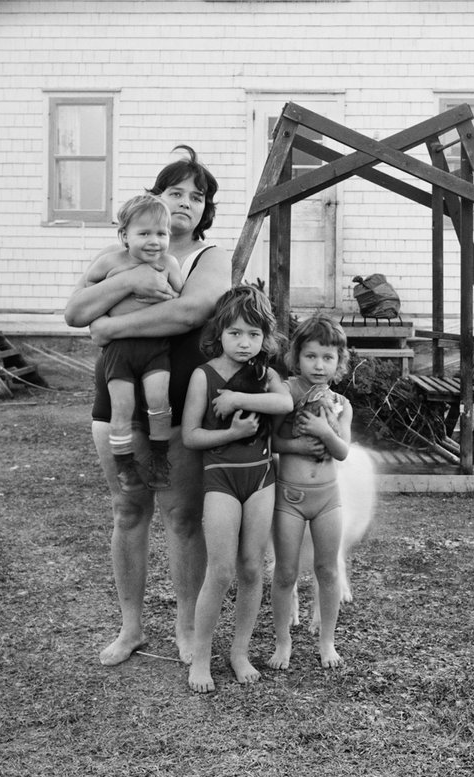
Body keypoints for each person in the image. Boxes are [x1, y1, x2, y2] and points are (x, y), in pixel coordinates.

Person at [64, 146, 230, 666]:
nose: (184, 204)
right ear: (154, 199)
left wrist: (111, 325)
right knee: (128, 509)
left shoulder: (209, 256)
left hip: (180, 404)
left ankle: (186, 627)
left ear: (206, 209)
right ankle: (130, 627)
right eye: (174, 192)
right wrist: (131, 281)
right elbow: (74, 311)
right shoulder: (121, 256)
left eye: (196, 197)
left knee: (182, 516)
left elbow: (193, 310)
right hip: (115, 402)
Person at [181, 285, 293, 693]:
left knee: (251, 567)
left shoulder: (266, 375)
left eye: (254, 335)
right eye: (236, 333)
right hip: (221, 478)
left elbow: (285, 405)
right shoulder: (204, 375)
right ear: (220, 333)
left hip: (261, 477)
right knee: (222, 569)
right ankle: (202, 654)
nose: (245, 343)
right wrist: (232, 431)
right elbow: (191, 436)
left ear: (266, 338)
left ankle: (239, 651)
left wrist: (240, 399)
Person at [79, 194, 183, 490]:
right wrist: (117, 290)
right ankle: (125, 465)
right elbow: (89, 285)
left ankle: (159, 460)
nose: (154, 241)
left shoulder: (169, 263)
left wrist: (168, 296)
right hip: (119, 351)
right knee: (122, 408)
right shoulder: (110, 262)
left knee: (159, 403)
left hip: (155, 348)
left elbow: (181, 298)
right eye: (144, 233)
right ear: (124, 236)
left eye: (161, 234)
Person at [268, 313, 353, 670]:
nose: (319, 365)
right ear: (297, 357)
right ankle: (282, 641)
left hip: (327, 499)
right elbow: (271, 439)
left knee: (327, 569)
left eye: (328, 358)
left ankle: (327, 642)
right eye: (311, 356)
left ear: (339, 362)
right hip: (290, 497)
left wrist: (323, 429)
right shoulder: (285, 393)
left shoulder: (341, 405)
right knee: (286, 572)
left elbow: (342, 451)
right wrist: (300, 447)